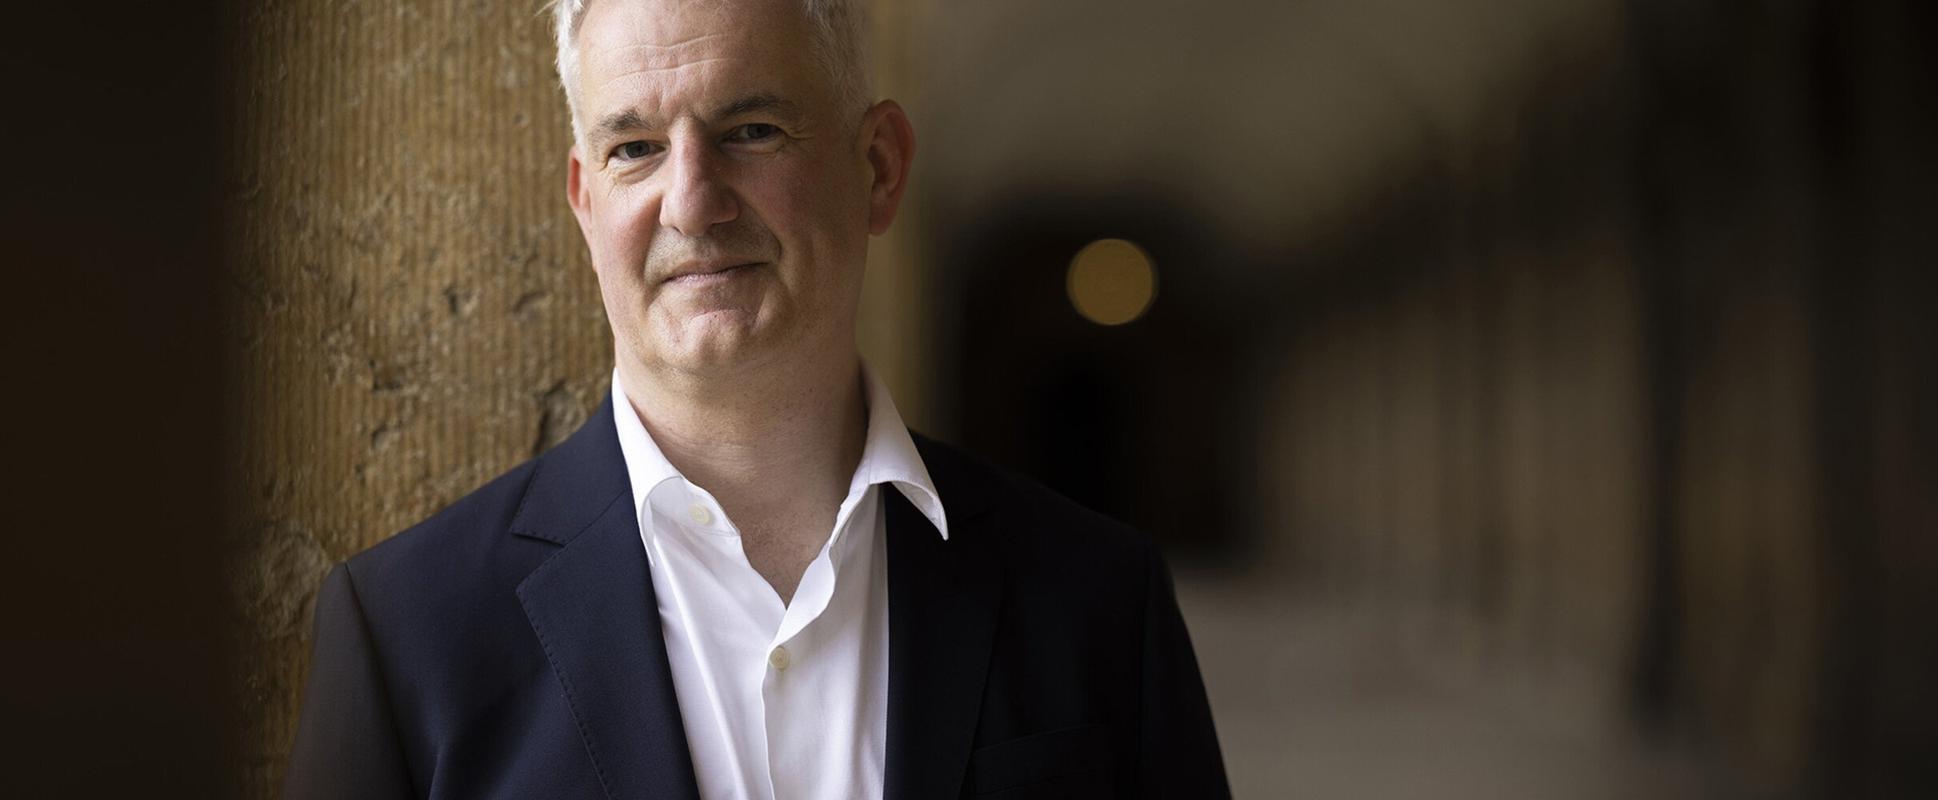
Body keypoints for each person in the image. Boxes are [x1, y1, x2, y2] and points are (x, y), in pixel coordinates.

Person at [281, 0, 1229, 797]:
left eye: (750, 131)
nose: (692, 202)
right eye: (635, 149)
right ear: (584, 202)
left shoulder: (1102, 601)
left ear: (880, 167)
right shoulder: (406, 634)